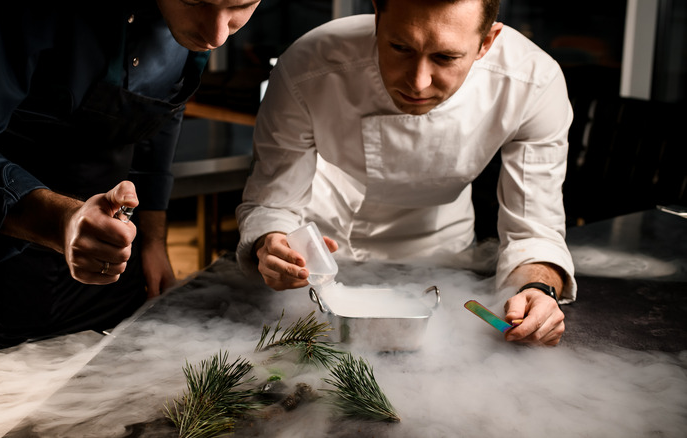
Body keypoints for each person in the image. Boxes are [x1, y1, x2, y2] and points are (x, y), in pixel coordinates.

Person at [0, 0, 261, 365]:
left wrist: (153, 243)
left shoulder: (198, 29)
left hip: (105, 271)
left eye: (241, 5)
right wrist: (63, 221)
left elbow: (160, 121)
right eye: (194, 1)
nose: (217, 35)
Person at [236, 0, 575, 346]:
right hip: (322, 259)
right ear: (377, 18)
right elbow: (272, 202)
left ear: (487, 41)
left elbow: (534, 230)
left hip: (443, 257)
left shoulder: (534, 82)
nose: (418, 82)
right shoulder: (307, 64)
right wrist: (273, 242)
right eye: (400, 48)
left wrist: (537, 288)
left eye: (446, 57)